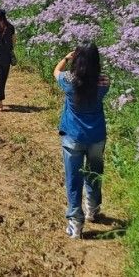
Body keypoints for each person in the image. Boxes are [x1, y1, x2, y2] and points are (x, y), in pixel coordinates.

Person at [53, 42, 111, 239]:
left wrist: (67, 58)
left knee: (73, 179)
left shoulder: (69, 80)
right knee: (94, 173)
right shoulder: (104, 81)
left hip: (72, 137)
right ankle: (92, 209)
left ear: (78, 60)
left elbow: (56, 71)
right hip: (96, 136)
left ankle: (75, 224)